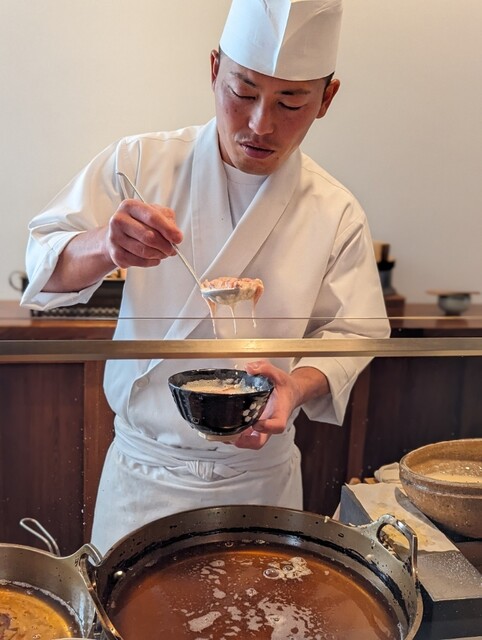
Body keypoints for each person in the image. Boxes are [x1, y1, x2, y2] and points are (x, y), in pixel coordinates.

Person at [21, 0, 390, 554]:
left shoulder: (335, 210)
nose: (261, 124)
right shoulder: (139, 164)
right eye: (243, 93)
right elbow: (42, 264)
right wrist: (104, 245)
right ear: (215, 70)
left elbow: (355, 332)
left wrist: (296, 386)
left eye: (291, 102)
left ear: (326, 99)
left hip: (259, 481)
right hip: (144, 473)